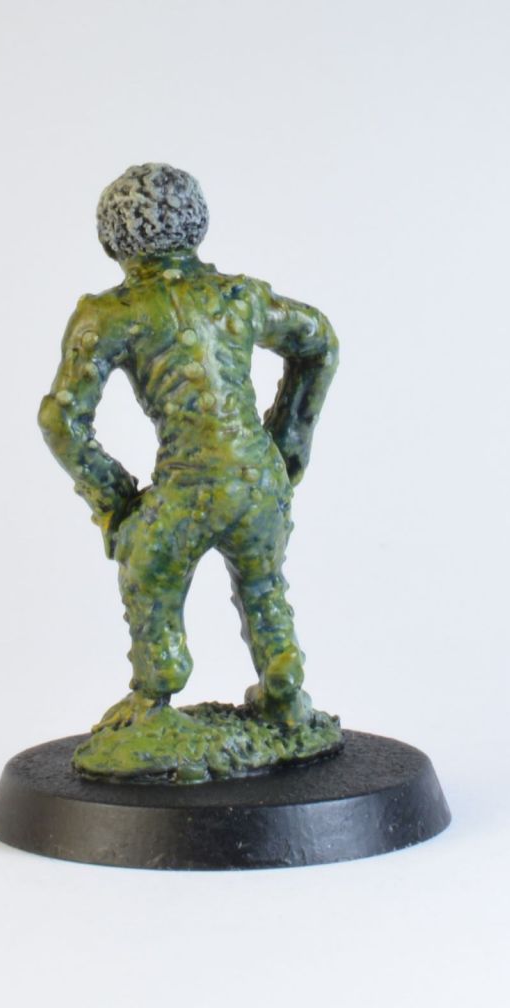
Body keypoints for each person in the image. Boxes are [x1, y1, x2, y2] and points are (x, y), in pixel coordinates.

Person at [39, 163, 338, 730]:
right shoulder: (240, 298)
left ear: (111, 241)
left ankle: (156, 689)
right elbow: (317, 340)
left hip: (188, 490)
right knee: (263, 583)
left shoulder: (110, 315)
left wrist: (117, 501)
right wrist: (287, 441)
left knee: (149, 570)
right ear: (198, 225)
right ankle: (283, 680)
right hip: (258, 481)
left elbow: (61, 419)